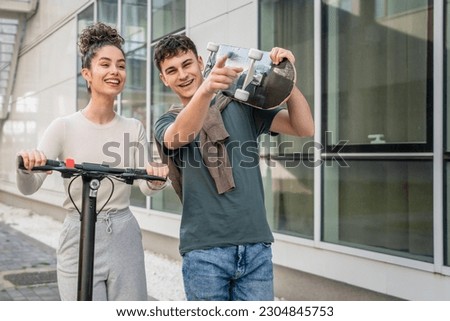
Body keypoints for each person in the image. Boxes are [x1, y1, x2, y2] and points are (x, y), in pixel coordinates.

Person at [153, 34, 314, 301]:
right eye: (172, 70)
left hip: (256, 248)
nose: (182, 74)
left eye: (187, 64)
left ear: (201, 62)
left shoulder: (241, 105)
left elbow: (304, 127)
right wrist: (206, 91)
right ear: (164, 79)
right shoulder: (167, 120)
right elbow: (179, 135)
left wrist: (287, 78)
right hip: (204, 253)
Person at [16, 22, 169, 301]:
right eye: (105, 64)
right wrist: (29, 165)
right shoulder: (63, 126)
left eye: (121, 66)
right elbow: (30, 186)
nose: (115, 72)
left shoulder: (134, 127)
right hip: (78, 233)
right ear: (87, 73)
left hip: (124, 232)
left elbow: (146, 187)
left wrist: (156, 176)